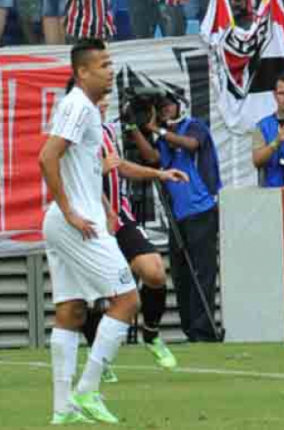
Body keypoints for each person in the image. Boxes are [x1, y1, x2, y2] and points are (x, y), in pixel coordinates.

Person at [39, 39, 138, 425]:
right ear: (82, 72)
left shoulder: (85, 109)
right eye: (102, 64)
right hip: (75, 223)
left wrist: (103, 207)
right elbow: (48, 157)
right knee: (127, 301)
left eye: (111, 63)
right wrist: (72, 212)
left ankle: (62, 408)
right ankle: (88, 389)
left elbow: (78, 167)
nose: (110, 70)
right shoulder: (78, 106)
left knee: (71, 310)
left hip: (70, 219)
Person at [80, 93, 188, 381]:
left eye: (105, 99)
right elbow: (78, 176)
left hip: (122, 217)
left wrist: (160, 174)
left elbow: (120, 167)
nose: (104, 103)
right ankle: (98, 359)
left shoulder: (106, 131)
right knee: (97, 297)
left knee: (154, 272)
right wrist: (104, 209)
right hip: (91, 221)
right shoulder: (75, 135)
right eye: (98, 99)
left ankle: (150, 333)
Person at [130, 92, 223, 343]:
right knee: (181, 275)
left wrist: (156, 130)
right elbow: (152, 159)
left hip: (202, 210)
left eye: (168, 105)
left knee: (202, 273)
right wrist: (134, 128)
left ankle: (203, 332)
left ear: (179, 105)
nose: (165, 110)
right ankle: (190, 330)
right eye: (160, 108)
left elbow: (191, 144)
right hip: (177, 216)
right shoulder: (163, 135)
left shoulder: (194, 126)